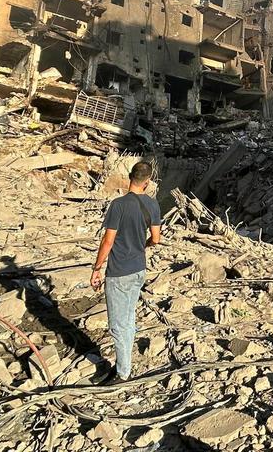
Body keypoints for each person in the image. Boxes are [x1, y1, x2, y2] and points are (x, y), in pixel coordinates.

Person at [90, 160, 162, 381]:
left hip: (119, 271)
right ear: (148, 182)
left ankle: (123, 373)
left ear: (130, 177)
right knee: (128, 318)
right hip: (138, 269)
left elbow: (108, 241)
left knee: (118, 326)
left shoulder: (118, 205)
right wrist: (143, 245)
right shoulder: (152, 205)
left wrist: (96, 268)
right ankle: (125, 364)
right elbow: (156, 239)